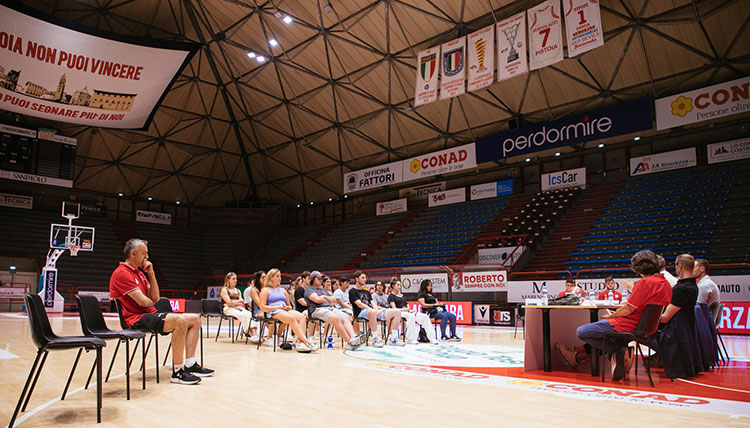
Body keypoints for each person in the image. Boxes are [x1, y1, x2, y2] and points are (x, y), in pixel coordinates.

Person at [110, 239, 214, 384]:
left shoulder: (140, 273)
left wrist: (151, 274)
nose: (147, 256)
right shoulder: (122, 273)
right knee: (180, 320)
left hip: (149, 315)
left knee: (195, 319)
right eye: (144, 253)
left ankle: (190, 364)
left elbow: (155, 297)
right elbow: (144, 302)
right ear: (133, 254)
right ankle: (177, 372)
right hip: (135, 319)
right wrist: (151, 301)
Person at [556, 250, 672, 381]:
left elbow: (628, 309)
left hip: (629, 325)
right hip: (648, 328)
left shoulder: (644, 283)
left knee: (582, 332)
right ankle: (612, 353)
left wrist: (613, 316)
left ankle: (617, 351)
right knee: (605, 335)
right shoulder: (665, 283)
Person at [657, 254, 701, 378]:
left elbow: (665, 317)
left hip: (674, 331)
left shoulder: (682, 289)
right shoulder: (692, 286)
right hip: (684, 328)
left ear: (679, 266)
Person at [258, 268, 317, 352]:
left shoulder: (283, 290)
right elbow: (262, 307)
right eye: (277, 276)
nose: (280, 278)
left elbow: (289, 306)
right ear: (271, 277)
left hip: (284, 310)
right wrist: (277, 307)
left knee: (302, 317)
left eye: (280, 276)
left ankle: (301, 343)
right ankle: (307, 342)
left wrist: (287, 307)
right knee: (291, 318)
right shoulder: (265, 290)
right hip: (273, 311)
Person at [304, 271, 363, 349]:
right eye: (319, 278)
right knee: (335, 318)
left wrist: (324, 297)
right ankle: (350, 342)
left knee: (344, 316)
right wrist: (326, 298)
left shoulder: (323, 290)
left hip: (329, 308)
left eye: (322, 278)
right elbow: (317, 300)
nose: (321, 280)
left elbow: (334, 300)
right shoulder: (309, 289)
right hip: (316, 310)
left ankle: (353, 338)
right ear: (313, 279)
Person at [349, 270, 404, 347]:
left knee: (397, 312)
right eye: (363, 277)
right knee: (372, 312)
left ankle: (393, 338)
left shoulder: (366, 292)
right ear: (357, 279)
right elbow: (359, 304)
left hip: (372, 311)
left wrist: (377, 310)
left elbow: (373, 303)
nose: (365, 279)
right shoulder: (352, 291)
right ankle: (375, 339)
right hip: (360, 312)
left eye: (365, 278)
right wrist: (373, 310)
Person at [388, 279, 438, 345]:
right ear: (393, 286)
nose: (399, 286)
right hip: (398, 313)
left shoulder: (402, 296)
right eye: (398, 285)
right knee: (410, 316)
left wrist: (408, 309)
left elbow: (408, 306)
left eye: (400, 285)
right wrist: (405, 309)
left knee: (425, 317)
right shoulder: (391, 296)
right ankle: (411, 339)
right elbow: (394, 309)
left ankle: (432, 338)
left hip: (408, 311)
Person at [220, 272, 256, 338]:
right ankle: (250, 333)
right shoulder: (224, 290)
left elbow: (242, 301)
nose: (235, 280)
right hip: (228, 309)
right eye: (233, 279)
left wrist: (233, 302)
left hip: (238, 308)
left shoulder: (238, 290)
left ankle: (254, 333)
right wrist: (236, 302)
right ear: (228, 280)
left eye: (236, 279)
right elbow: (229, 303)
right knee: (242, 315)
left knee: (249, 313)